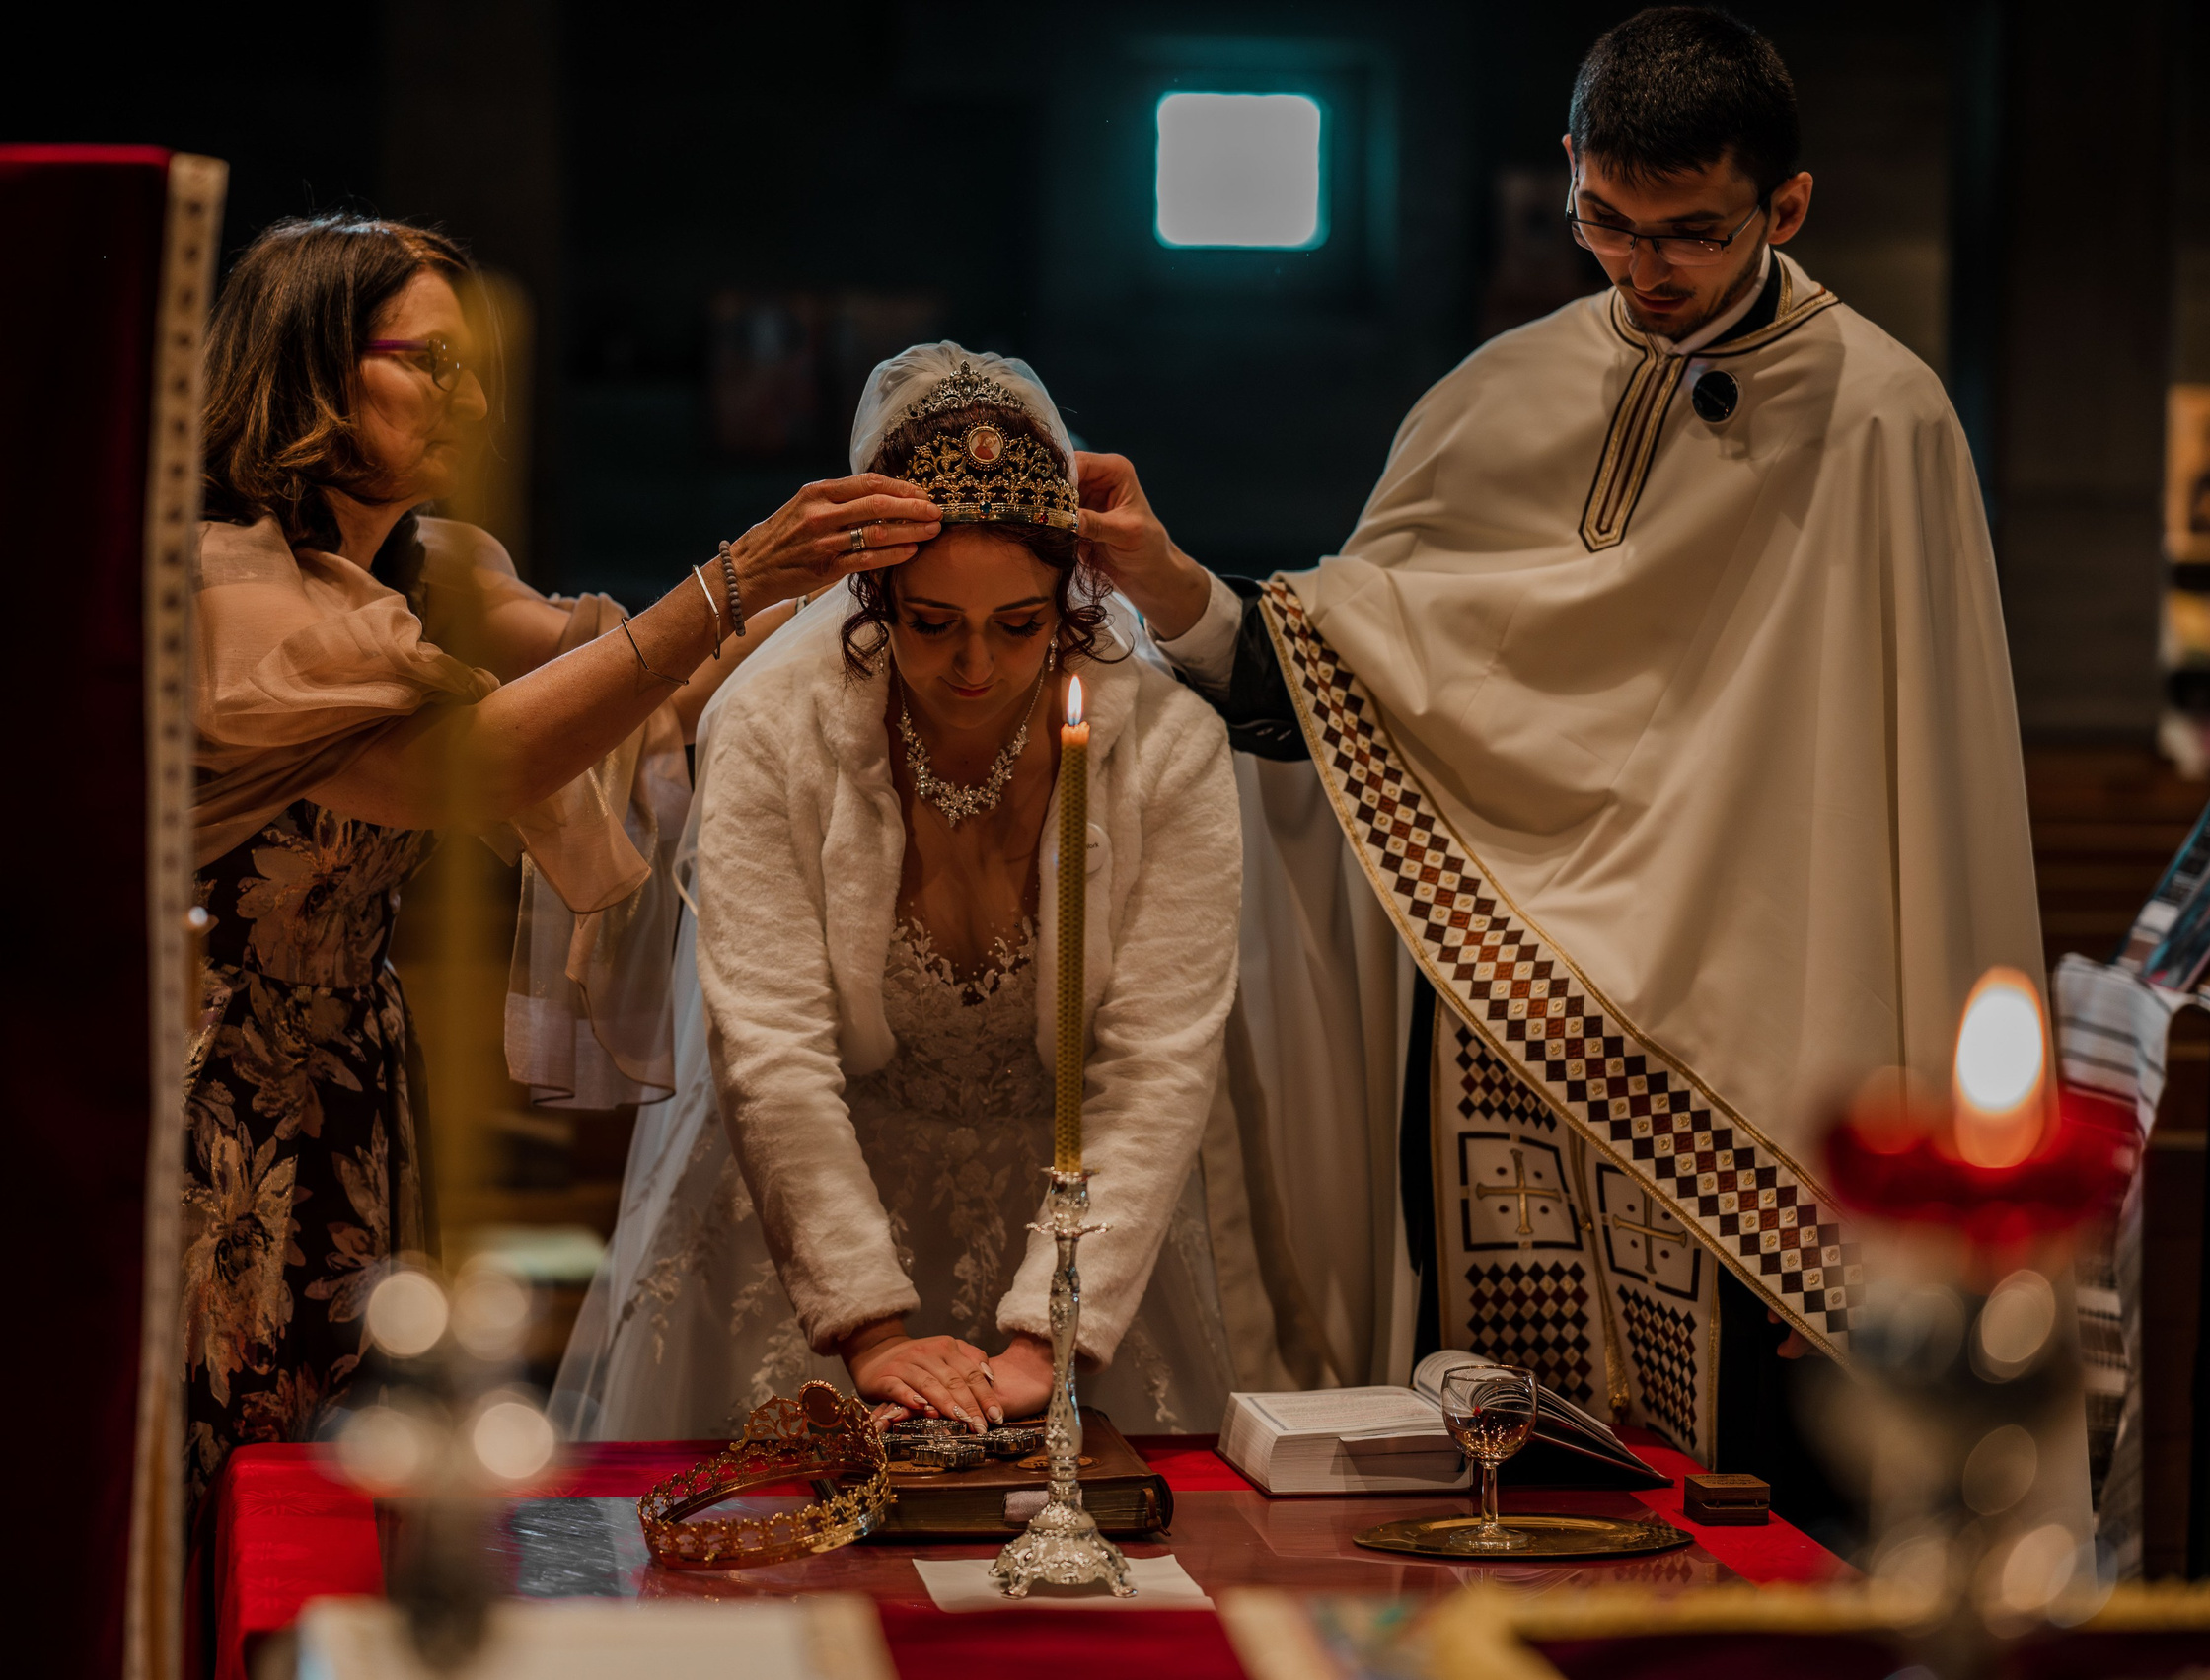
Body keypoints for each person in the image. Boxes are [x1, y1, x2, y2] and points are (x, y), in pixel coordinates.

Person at [1077, 7, 2041, 1529]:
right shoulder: (1498, 398)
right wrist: (1169, 576)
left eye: (1691, 234)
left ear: (1786, 209)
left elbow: (1921, 795)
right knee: (1490, 1503)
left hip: (1761, 1048)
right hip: (1495, 1041)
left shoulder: (1883, 417)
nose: (1644, 269)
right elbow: (1343, 684)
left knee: (1753, 1514)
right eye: (1607, 221)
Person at [180, 214, 939, 1501]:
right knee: (214, 1450)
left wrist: (853, 591)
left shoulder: (440, 574)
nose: (471, 394)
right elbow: (467, 759)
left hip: (357, 1084)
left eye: (478, 366)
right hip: (208, 1091)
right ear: (308, 362)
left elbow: (641, 703)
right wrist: (736, 571)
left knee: (334, 1458)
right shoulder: (220, 584)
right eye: (430, 359)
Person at [553, 345, 1264, 1437]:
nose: (975, 665)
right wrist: (870, 1326)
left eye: (1018, 624)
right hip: (816, 1220)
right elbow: (773, 1041)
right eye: (931, 623)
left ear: (1071, 597)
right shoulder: (775, 727)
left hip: (1071, 1220)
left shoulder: (1163, 746)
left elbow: (1157, 1060)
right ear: (872, 591)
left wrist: (1047, 1336)